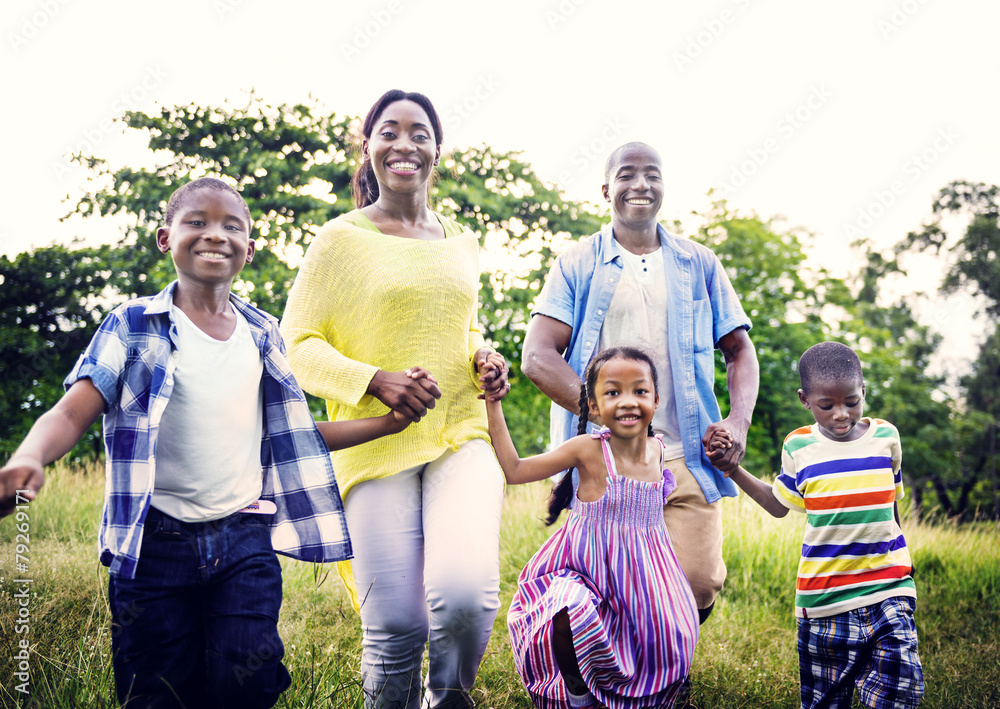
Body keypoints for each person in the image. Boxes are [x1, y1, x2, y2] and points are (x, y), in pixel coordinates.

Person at [0, 177, 423, 708]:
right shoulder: (132, 325)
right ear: (164, 238)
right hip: (154, 545)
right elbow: (72, 410)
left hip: (244, 538)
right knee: (158, 688)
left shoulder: (264, 334)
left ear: (250, 246)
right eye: (196, 221)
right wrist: (29, 457)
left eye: (231, 226)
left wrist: (388, 424)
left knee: (247, 677)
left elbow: (291, 436)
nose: (214, 235)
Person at [280, 89, 509, 709]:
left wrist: (485, 356)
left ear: (438, 150)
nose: (404, 144)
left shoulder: (461, 241)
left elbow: (456, 327)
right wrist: (373, 378)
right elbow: (294, 344)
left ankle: (447, 697)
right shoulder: (339, 240)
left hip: (460, 432)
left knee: (464, 597)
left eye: (419, 133)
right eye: (389, 131)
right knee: (396, 625)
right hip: (372, 443)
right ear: (368, 145)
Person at [522, 142, 759, 628]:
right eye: (627, 174)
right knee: (609, 585)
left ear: (664, 187)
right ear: (607, 189)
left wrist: (737, 423)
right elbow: (537, 357)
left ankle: (667, 664)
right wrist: (604, 417)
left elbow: (739, 350)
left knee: (698, 581)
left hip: (685, 451)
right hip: (603, 459)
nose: (641, 185)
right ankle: (623, 684)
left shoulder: (700, 264)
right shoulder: (576, 263)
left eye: (652, 174)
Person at [487, 346, 699, 709]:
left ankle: (639, 693)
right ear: (595, 406)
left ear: (656, 400)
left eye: (640, 391)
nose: (628, 401)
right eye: (613, 392)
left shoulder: (659, 450)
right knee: (568, 606)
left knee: (672, 634)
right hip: (585, 570)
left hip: (644, 574)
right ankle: (577, 688)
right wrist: (493, 402)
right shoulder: (587, 449)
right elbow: (515, 469)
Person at [723, 341, 924, 709]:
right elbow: (779, 505)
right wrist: (731, 469)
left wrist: (905, 561)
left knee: (901, 691)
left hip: (889, 588)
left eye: (851, 401)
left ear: (863, 390)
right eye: (826, 406)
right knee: (826, 701)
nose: (841, 415)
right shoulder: (799, 447)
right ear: (805, 400)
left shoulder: (887, 438)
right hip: (824, 601)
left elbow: (890, 505)